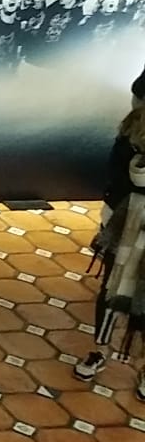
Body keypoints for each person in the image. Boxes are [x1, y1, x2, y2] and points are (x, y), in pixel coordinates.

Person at [79, 66, 145, 394]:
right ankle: (100, 349)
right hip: (124, 223)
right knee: (112, 286)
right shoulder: (130, 133)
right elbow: (116, 179)